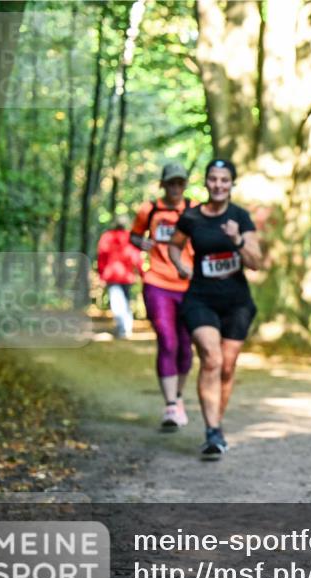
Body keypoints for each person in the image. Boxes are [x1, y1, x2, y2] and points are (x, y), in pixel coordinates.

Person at [167, 159, 262, 460]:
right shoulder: (192, 217)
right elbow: (174, 244)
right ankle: (212, 431)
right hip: (201, 299)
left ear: (232, 184)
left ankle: (216, 425)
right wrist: (180, 265)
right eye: (213, 179)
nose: (218, 185)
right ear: (206, 183)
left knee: (228, 366)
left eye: (224, 180)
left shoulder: (241, 218)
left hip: (237, 303)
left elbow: (256, 262)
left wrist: (237, 240)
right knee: (211, 358)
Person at [130, 163, 196, 431]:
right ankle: (170, 405)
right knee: (167, 341)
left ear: (185, 185)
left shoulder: (194, 210)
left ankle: (178, 397)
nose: (176, 188)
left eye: (180, 183)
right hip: (157, 281)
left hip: (189, 285)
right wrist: (140, 243)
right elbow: (135, 236)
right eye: (171, 183)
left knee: (185, 347)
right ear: (163, 184)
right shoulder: (150, 209)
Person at [96, 217, 142, 339]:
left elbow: (101, 256)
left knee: (118, 302)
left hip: (112, 275)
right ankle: (126, 327)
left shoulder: (107, 236)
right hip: (127, 275)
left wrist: (101, 274)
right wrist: (141, 272)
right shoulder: (129, 237)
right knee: (125, 302)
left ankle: (123, 329)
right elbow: (137, 257)